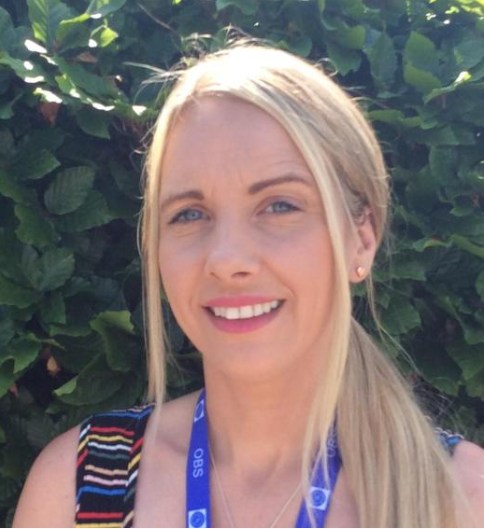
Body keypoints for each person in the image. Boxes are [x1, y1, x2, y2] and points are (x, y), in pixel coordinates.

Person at [13, 43, 484, 528]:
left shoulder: (465, 500)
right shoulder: (79, 484)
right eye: (189, 214)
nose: (226, 260)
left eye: (280, 206)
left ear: (360, 240)